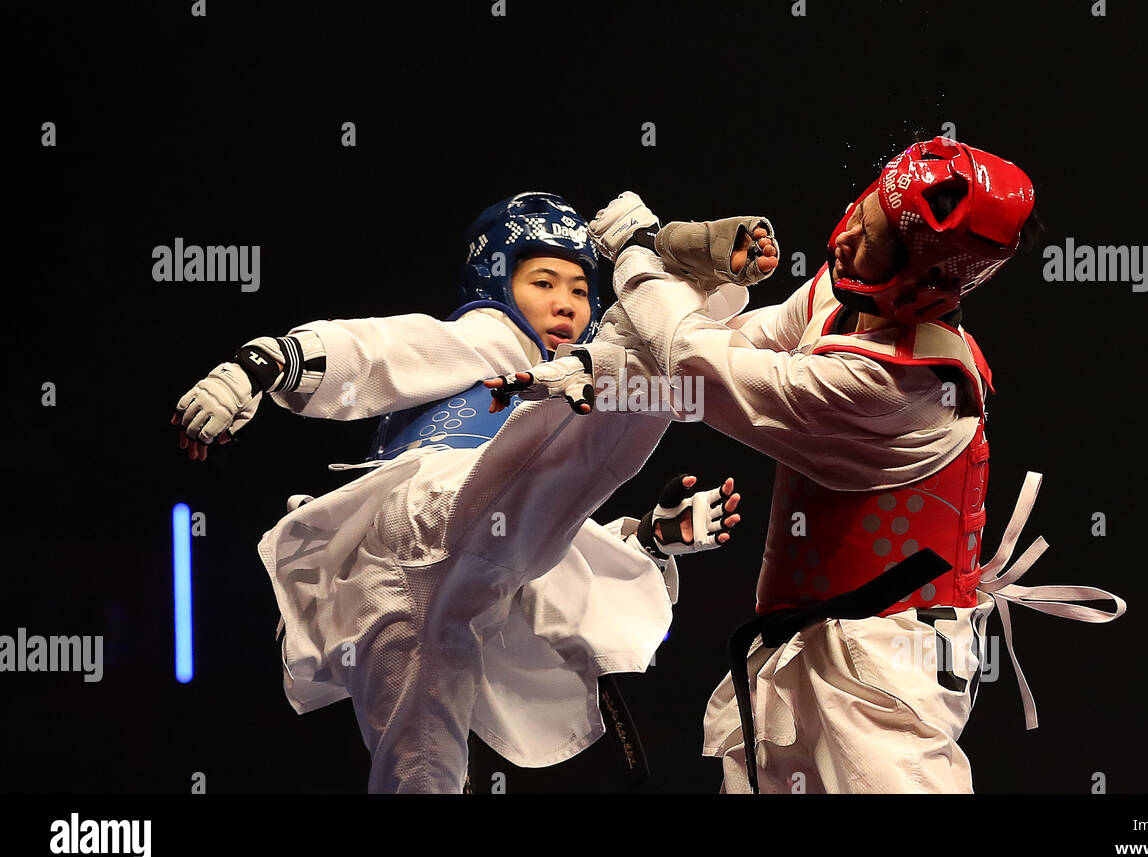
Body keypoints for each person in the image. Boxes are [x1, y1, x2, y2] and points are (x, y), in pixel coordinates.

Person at [524, 138, 1127, 793]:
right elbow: (738, 350)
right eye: (861, 210)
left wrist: (640, 252)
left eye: (873, 241)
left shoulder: (896, 386)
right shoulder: (845, 302)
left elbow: (704, 364)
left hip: (886, 679)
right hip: (807, 649)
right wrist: (605, 372)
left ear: (929, 277)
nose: (844, 241)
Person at [171, 192, 746, 792]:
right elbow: (378, 352)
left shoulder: (555, 386)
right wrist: (261, 366)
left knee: (422, 774)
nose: (566, 303)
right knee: (634, 375)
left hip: (437, 582)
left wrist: (647, 539)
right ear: (497, 283)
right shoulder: (488, 338)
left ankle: (665, 273)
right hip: (425, 517)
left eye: (580, 289)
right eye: (544, 281)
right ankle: (657, 263)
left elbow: (526, 535)